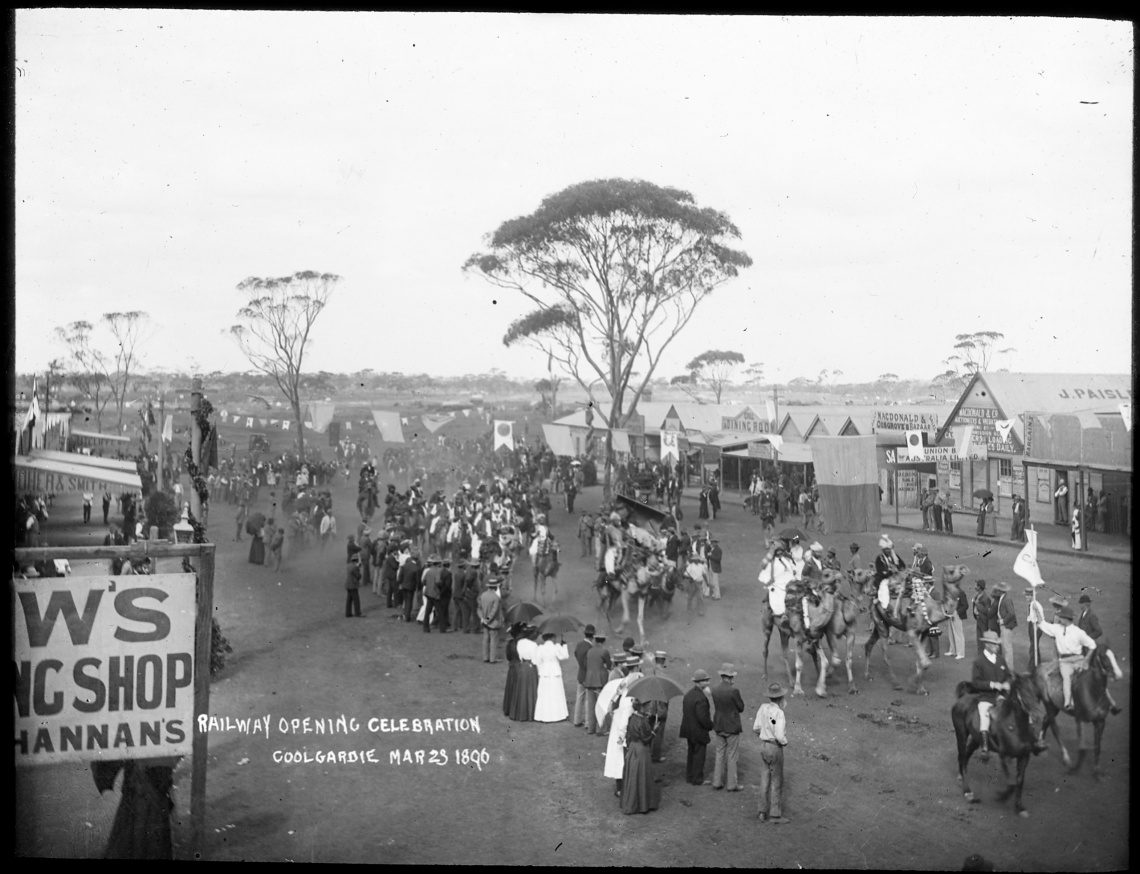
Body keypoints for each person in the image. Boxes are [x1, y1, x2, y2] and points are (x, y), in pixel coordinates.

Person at [1029, 603, 1096, 711]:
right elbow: (1043, 624)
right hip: (1065, 662)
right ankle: (1068, 702)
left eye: (1061, 617)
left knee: (1091, 676)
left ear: (1066, 619)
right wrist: (1037, 612)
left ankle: (1106, 700)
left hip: (1079, 659)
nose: (1058, 618)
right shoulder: (1057, 629)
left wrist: (1086, 660)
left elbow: (1092, 645)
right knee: (1067, 678)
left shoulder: (1078, 632)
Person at [1076, 593, 1123, 713]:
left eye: (1081, 603)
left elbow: (1099, 631)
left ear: (1084, 604)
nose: (1080, 605)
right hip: (1083, 650)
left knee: (1095, 678)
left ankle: (1111, 704)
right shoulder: (1083, 615)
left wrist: (1087, 639)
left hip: (1090, 651)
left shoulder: (1091, 616)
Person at [971, 631, 1015, 761]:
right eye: (995, 644)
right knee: (984, 717)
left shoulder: (1000, 659)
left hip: (1002, 696)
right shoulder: (979, 662)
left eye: (997, 644)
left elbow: (1008, 675)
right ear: (987, 645)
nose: (997, 646)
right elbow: (976, 682)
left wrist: (1007, 682)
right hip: (986, 697)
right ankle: (985, 747)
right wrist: (993, 685)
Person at [754, 682, 790, 824]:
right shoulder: (779, 713)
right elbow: (780, 735)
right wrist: (784, 742)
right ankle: (775, 815)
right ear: (780, 698)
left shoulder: (763, 708)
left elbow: (756, 727)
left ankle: (762, 811)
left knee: (764, 779)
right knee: (776, 780)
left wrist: (764, 735)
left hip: (764, 746)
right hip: (775, 747)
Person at [620, 699, 661, 815]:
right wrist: (654, 730)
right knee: (642, 776)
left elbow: (630, 735)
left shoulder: (632, 717)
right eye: (647, 706)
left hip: (633, 749)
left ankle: (631, 803)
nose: (649, 708)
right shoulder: (642, 721)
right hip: (641, 751)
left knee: (633, 777)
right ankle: (642, 804)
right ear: (641, 707)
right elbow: (646, 739)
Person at [710, 663, 745, 792]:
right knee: (732, 755)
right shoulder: (733, 691)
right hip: (732, 726)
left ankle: (717, 781)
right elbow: (741, 708)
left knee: (719, 753)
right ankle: (731, 784)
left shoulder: (714, 689)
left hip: (719, 724)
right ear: (730, 677)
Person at [679, 668, 715, 785]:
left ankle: (690, 776)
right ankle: (697, 779)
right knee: (699, 756)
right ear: (700, 682)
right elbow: (703, 718)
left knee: (691, 754)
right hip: (698, 731)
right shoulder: (701, 698)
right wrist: (711, 726)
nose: (708, 682)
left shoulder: (689, 694)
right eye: (706, 680)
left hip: (688, 730)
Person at [582, 631, 612, 734]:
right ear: (603, 641)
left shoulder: (589, 651)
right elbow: (609, 666)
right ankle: (601, 729)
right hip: (600, 681)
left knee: (591, 706)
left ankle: (591, 728)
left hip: (589, 680)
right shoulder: (604, 651)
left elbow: (586, 665)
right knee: (600, 706)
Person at [510, 625, 540, 721]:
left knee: (521, 689)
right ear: (531, 634)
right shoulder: (534, 645)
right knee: (531, 689)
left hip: (522, 667)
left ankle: (520, 713)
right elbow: (536, 660)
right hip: (531, 667)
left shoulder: (520, 642)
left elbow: (520, 656)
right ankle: (530, 713)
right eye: (535, 633)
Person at [572, 625, 597, 727]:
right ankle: (588, 722)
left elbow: (575, 654)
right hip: (588, 675)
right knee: (588, 700)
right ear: (593, 636)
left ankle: (577, 720)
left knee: (579, 698)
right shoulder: (590, 648)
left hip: (580, 674)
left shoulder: (579, 644)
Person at [477, 578, 505, 664]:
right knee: (493, 640)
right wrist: (488, 620)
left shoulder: (483, 595)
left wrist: (482, 618)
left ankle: (485, 657)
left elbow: (479, 608)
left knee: (485, 639)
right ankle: (493, 658)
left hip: (484, 622)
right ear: (495, 587)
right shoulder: (496, 598)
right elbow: (494, 611)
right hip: (493, 623)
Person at [992, 582, 1018, 672]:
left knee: (1007, 647)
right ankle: (1007, 666)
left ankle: (1009, 668)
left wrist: (1003, 620)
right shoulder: (1003, 598)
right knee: (1006, 646)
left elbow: (1011, 612)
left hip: (1007, 625)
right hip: (1004, 625)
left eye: (998, 590)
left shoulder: (1007, 600)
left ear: (1000, 591)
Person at [503, 621, 527, 716]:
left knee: (511, 688)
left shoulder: (510, 643)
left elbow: (508, 656)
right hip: (520, 667)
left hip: (512, 667)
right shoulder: (523, 643)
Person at [398, 550, 423, 624]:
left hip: (403, 585)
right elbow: (418, 580)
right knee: (409, 601)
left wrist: (400, 583)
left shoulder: (405, 565)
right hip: (411, 587)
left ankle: (405, 614)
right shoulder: (416, 568)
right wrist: (418, 587)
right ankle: (407, 617)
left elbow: (400, 576)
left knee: (405, 600)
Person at [946, 578, 968, 659]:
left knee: (958, 634)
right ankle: (952, 651)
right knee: (951, 633)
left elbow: (966, 605)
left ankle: (960, 653)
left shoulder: (961, 593)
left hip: (957, 616)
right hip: (950, 615)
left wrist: (957, 612)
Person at [971, 580, 992, 651]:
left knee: (984, 639)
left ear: (979, 587)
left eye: (976, 585)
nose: (975, 587)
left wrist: (977, 604)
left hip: (983, 621)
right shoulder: (977, 596)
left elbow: (987, 611)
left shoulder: (986, 598)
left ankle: (985, 656)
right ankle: (980, 656)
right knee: (979, 639)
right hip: (978, 620)